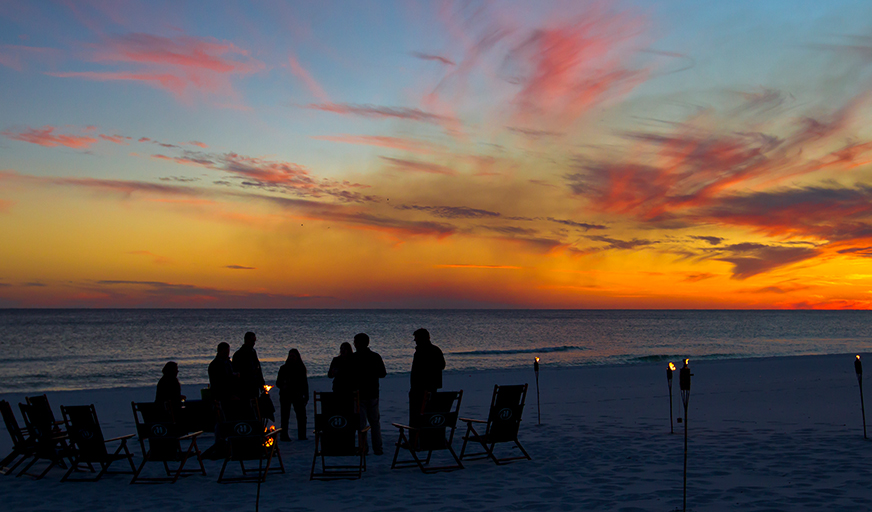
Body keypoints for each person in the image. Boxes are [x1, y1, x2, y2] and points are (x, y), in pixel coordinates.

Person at [352, 333, 386, 455]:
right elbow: (382, 373)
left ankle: (364, 448)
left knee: (362, 424)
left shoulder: (354, 357)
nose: (354, 344)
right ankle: (378, 448)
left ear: (360, 343)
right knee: (375, 422)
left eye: (355, 342)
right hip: (372, 393)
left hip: (360, 394)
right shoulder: (375, 356)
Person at [409, 328, 445, 424]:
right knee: (429, 415)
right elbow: (442, 365)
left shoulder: (420, 352)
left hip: (419, 389)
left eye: (416, 339)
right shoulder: (436, 350)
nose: (415, 341)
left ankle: (415, 437)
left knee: (416, 417)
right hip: (432, 388)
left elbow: (417, 372)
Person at [275, 349, 309, 441]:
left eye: (293, 356)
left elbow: (305, 383)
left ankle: (302, 435)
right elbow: (278, 383)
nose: (291, 358)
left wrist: (306, 395)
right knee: (285, 416)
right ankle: (284, 435)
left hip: (297, 394)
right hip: (286, 395)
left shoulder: (301, 368)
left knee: (301, 416)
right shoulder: (283, 368)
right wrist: (284, 385)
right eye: (290, 356)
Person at [232, 332, 265, 400]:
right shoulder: (239, 354)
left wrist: (262, 384)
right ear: (246, 340)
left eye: (254, 341)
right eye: (252, 341)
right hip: (244, 387)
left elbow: (258, 368)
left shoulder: (253, 352)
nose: (253, 343)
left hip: (254, 385)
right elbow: (236, 372)